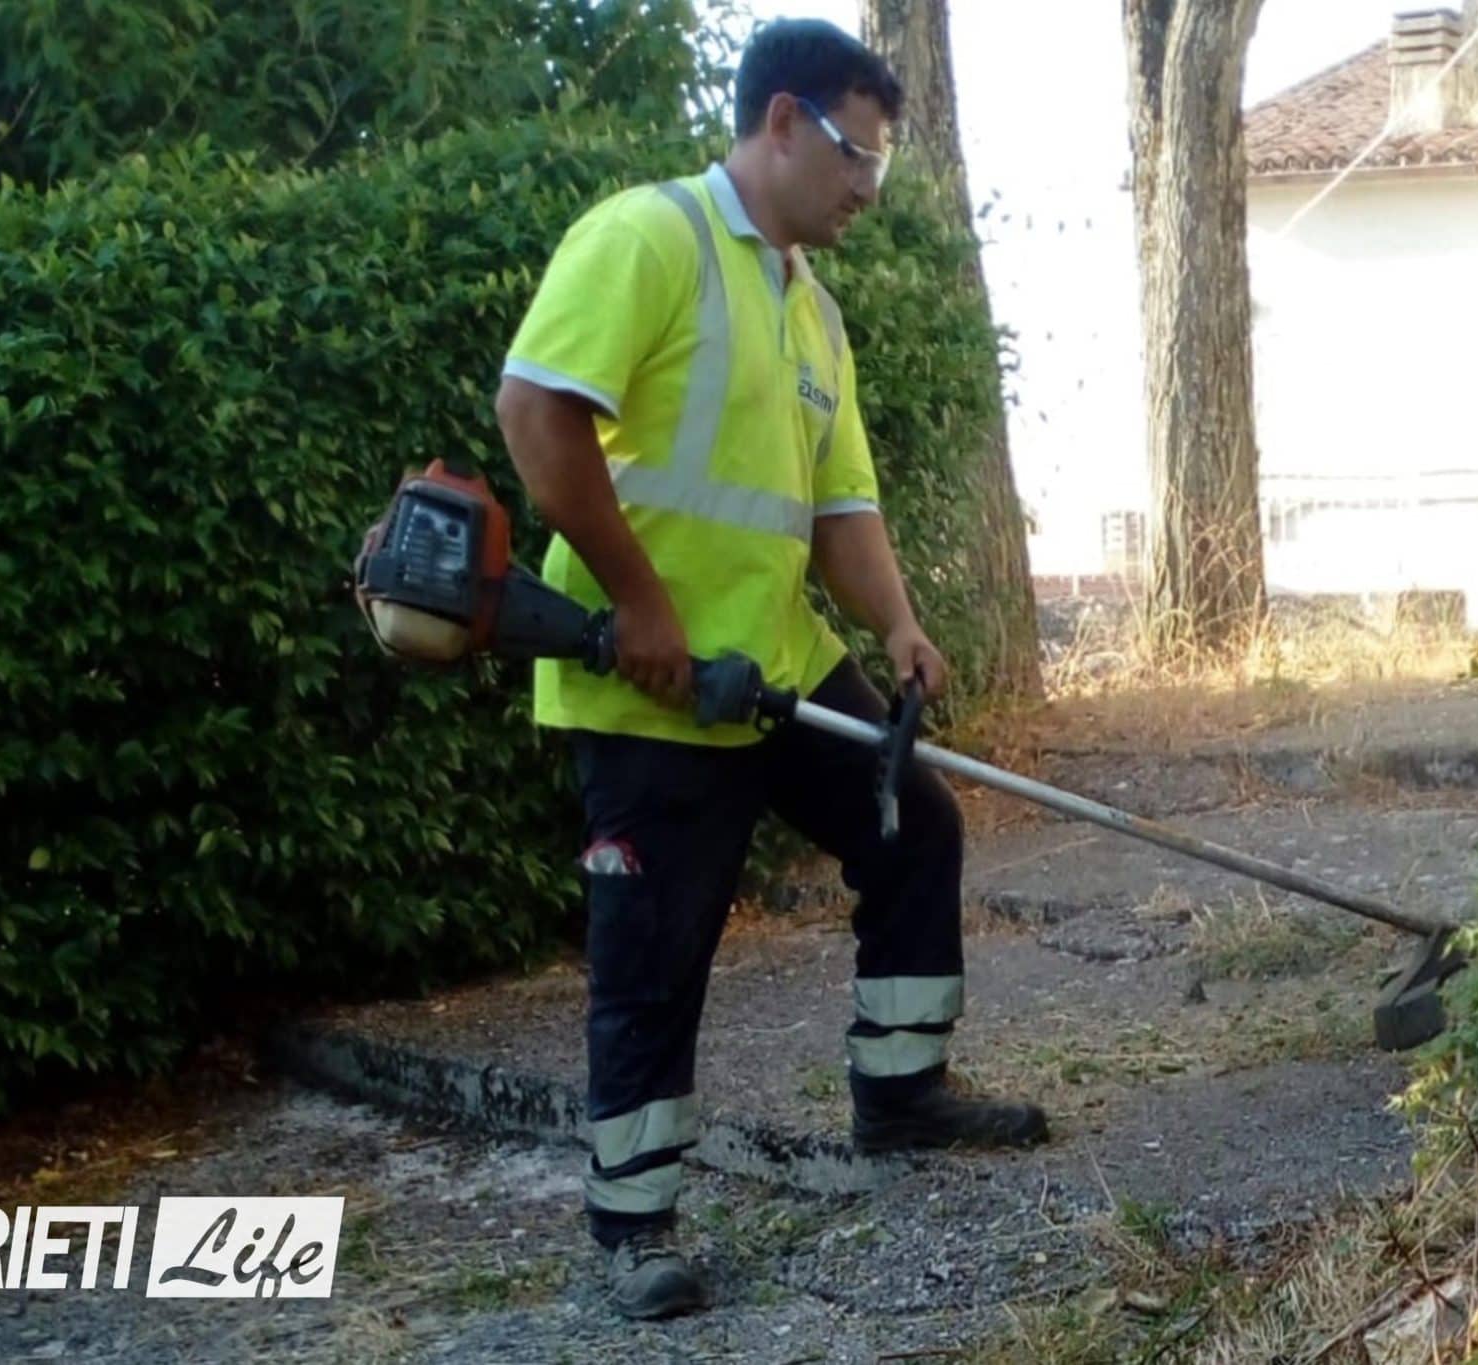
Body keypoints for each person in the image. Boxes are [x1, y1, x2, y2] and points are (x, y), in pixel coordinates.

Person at [492, 17, 1048, 1322]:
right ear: (783, 121)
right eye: (860, 154)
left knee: (916, 826)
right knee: (656, 945)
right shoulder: (650, 239)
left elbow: (840, 507)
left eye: (884, 165)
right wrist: (639, 602)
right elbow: (535, 410)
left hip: (778, 667)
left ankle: (901, 1093)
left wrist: (898, 625)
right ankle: (634, 1222)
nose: (869, 188)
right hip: (651, 683)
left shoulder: (812, 312)